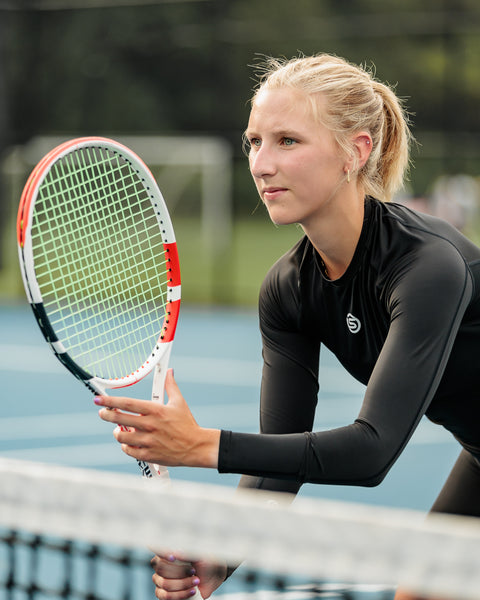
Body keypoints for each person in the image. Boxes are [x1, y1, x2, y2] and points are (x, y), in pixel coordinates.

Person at [96, 54, 480, 600]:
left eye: (287, 141)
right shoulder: (288, 290)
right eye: (254, 141)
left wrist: (202, 446)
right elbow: (280, 463)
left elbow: (371, 452)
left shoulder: (427, 267)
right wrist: (220, 557)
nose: (260, 163)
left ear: (356, 151)